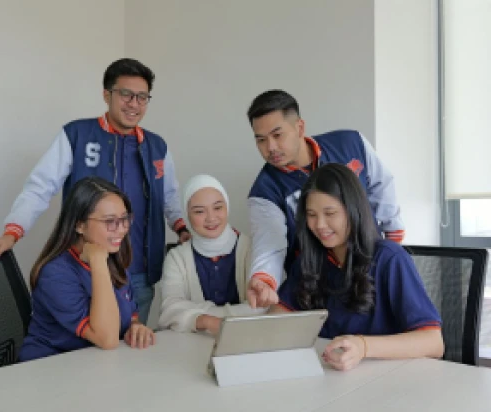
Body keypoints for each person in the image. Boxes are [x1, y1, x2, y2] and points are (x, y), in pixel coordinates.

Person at [0, 58, 190, 324]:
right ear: (107, 95)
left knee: (133, 341)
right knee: (85, 342)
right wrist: (13, 232)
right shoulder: (76, 134)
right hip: (84, 267)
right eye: (126, 94)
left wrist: (182, 229)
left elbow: (168, 197)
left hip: (138, 272)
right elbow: (40, 187)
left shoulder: (157, 146)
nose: (134, 104)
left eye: (142, 97)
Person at [270, 163, 443, 371]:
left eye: (330, 213)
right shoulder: (311, 259)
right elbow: (279, 314)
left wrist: (363, 346)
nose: (320, 225)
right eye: (312, 215)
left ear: (353, 211)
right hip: (331, 375)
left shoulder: (389, 259)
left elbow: (433, 342)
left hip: (388, 376)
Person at [245, 89, 405, 308]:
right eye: (261, 140)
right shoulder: (264, 192)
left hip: (371, 269)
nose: (270, 148)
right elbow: (269, 245)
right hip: (319, 289)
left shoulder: (352, 143)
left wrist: (393, 247)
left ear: (299, 127)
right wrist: (263, 281)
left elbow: (382, 185)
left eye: (277, 135)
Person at [19, 177, 155, 362]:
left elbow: (129, 315)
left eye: (125, 219)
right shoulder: (55, 274)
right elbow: (107, 339)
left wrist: (135, 326)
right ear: (80, 225)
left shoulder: (112, 257)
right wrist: (98, 261)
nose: (122, 229)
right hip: (51, 366)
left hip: (96, 363)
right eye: (110, 221)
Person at [158, 175, 264, 335]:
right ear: (187, 215)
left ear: (227, 207)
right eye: (199, 211)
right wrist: (206, 321)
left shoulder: (252, 249)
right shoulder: (176, 258)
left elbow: (261, 308)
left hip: (247, 338)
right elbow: (169, 310)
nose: (211, 218)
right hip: (192, 344)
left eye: (217, 208)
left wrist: (199, 318)